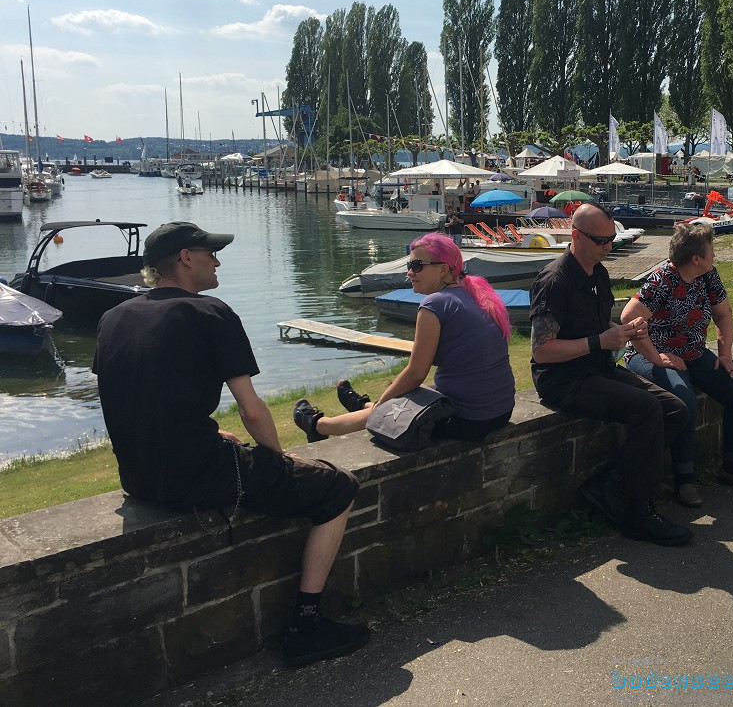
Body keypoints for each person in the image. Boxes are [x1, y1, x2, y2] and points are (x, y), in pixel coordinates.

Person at [94, 222, 368, 668]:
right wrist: (278, 459)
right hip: (195, 476)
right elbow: (252, 410)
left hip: (140, 478)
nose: (217, 261)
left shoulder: (114, 317)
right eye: (210, 254)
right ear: (186, 258)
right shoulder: (209, 313)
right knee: (338, 487)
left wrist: (202, 432)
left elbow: (139, 397)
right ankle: (306, 626)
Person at [530, 203, 692, 546]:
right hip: (563, 380)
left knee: (675, 409)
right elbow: (542, 350)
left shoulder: (598, 273)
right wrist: (599, 341)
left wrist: (624, 331)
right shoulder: (555, 281)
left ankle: (609, 486)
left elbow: (597, 328)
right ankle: (637, 511)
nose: (608, 246)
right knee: (646, 409)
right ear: (575, 236)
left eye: (611, 239)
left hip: (596, 368)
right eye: (600, 240)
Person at [295, 233, 515, 444]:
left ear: (443, 269)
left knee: (394, 405)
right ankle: (363, 406)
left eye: (417, 266)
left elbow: (415, 374)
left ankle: (318, 425)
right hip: (501, 412)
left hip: (467, 420)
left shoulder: (434, 304)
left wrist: (381, 405)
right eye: (409, 266)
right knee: (406, 397)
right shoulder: (480, 297)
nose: (410, 273)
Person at [622, 223, 733, 509]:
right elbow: (628, 319)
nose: (715, 255)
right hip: (648, 353)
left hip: (692, 352)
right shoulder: (663, 279)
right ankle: (684, 479)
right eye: (711, 250)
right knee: (683, 399)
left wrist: (724, 355)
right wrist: (655, 357)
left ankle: (732, 467)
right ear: (695, 258)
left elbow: (723, 315)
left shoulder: (708, 275)